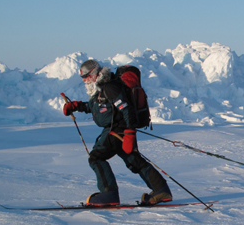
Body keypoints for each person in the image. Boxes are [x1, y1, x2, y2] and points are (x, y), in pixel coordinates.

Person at [63, 59, 172, 206]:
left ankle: (109, 194)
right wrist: (75, 106)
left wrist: (129, 134)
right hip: (119, 130)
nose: (84, 80)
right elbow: (96, 107)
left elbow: (127, 110)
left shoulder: (110, 87)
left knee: (95, 158)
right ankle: (161, 190)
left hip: (118, 130)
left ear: (94, 73)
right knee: (133, 160)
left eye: (86, 76)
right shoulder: (101, 88)